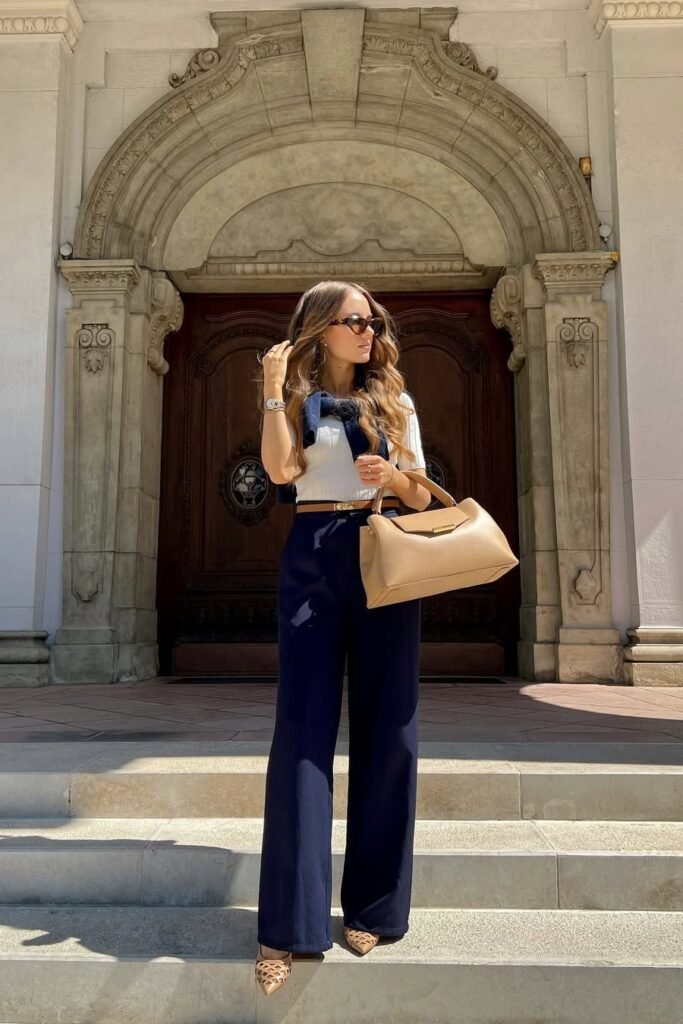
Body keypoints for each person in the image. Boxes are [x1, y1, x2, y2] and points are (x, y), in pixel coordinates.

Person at [254, 280, 431, 996]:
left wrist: (393, 474)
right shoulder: (294, 397)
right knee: (301, 731)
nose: (368, 332)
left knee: (389, 727)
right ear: (320, 328)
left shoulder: (396, 398)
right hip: (313, 550)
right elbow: (279, 471)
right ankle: (285, 929)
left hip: (384, 549)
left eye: (372, 321)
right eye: (354, 321)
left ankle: (374, 908)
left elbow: (423, 491)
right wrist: (272, 388)